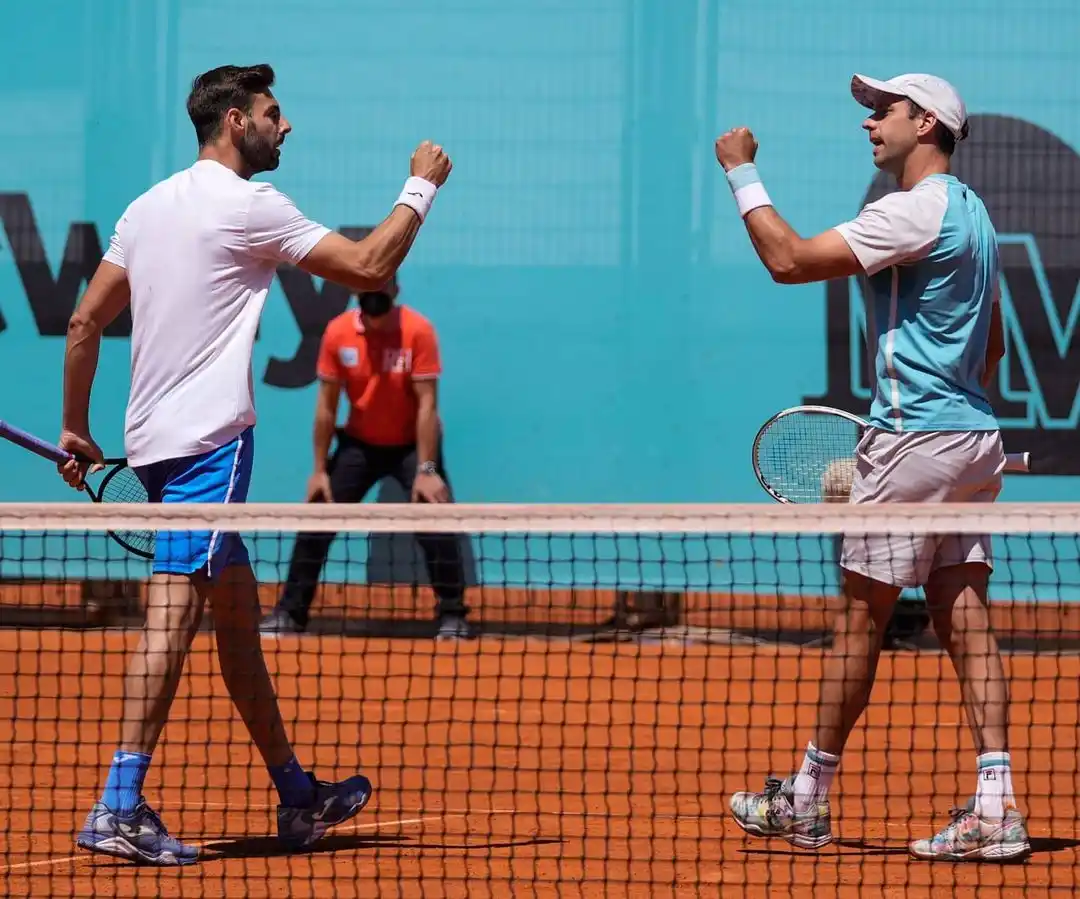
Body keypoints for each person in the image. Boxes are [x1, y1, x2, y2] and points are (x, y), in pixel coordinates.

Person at [57, 63, 452, 866]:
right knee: (173, 616)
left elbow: (81, 324)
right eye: (275, 113)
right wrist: (420, 187)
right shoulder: (250, 207)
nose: (287, 125)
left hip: (156, 447)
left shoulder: (146, 207)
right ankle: (119, 804)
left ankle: (297, 791)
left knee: (238, 626)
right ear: (236, 121)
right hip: (209, 449)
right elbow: (372, 264)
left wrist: (75, 428)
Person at [716, 73, 1030, 862]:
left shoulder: (911, 210)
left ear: (927, 123)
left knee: (860, 619)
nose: (869, 123)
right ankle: (997, 801)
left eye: (882, 110)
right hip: (972, 439)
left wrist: (740, 170)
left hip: (911, 442)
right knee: (965, 616)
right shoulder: (977, 215)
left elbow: (787, 261)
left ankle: (807, 801)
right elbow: (989, 349)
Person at [259, 276, 475, 641]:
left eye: (382, 290)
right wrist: (318, 472)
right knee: (317, 517)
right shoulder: (338, 333)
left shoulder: (418, 331)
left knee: (435, 518)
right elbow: (326, 408)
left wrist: (426, 469)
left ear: (396, 291)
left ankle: (453, 615)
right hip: (360, 444)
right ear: (357, 293)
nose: (375, 298)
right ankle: (290, 613)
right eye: (367, 291)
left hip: (412, 445)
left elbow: (427, 406)